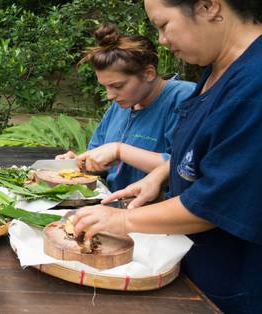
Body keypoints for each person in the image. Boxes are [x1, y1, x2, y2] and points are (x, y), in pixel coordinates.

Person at [73, 1, 262, 312]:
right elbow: (201, 154)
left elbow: (214, 203)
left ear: (208, 6)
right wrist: (160, 174)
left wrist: (123, 219)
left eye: (162, 24)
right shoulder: (217, 70)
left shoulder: (253, 84)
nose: (160, 39)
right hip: (197, 265)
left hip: (235, 281)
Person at [56, 23, 196, 192]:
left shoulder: (184, 98)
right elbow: (100, 160)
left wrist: (120, 151)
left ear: (149, 73)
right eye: (105, 87)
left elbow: (188, 166)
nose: (110, 95)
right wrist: (80, 163)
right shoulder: (122, 104)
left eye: (118, 86)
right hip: (114, 204)